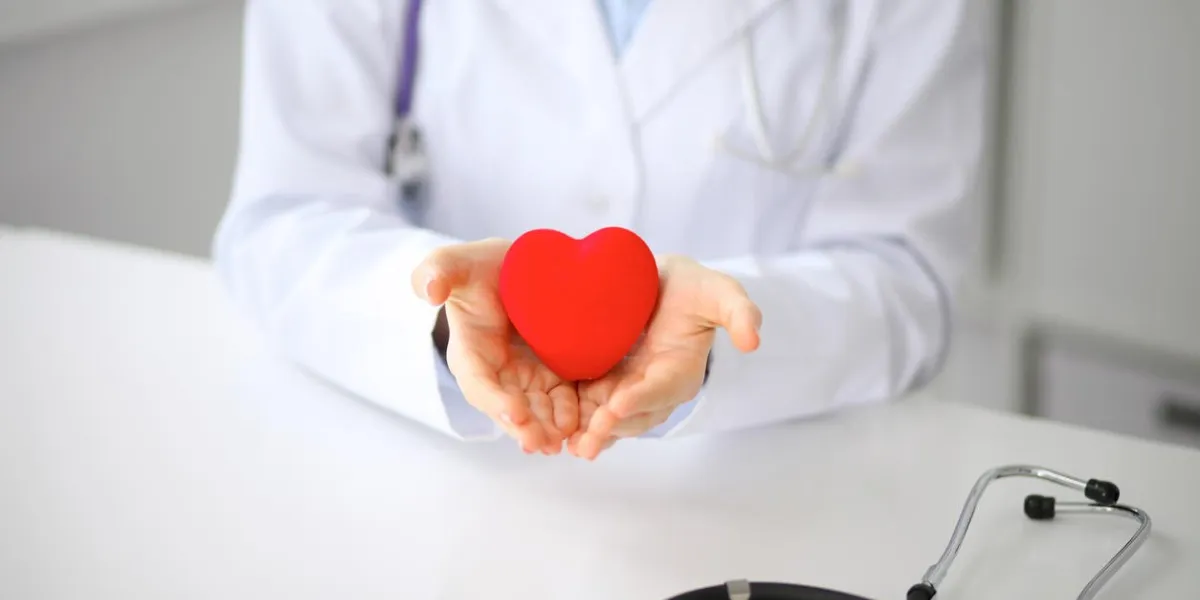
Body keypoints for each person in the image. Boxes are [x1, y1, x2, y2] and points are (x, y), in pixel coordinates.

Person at [213, 0, 987, 460]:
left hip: (760, 482)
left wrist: (726, 334)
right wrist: (442, 320)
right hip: (440, 475)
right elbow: (282, 218)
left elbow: (909, 274)